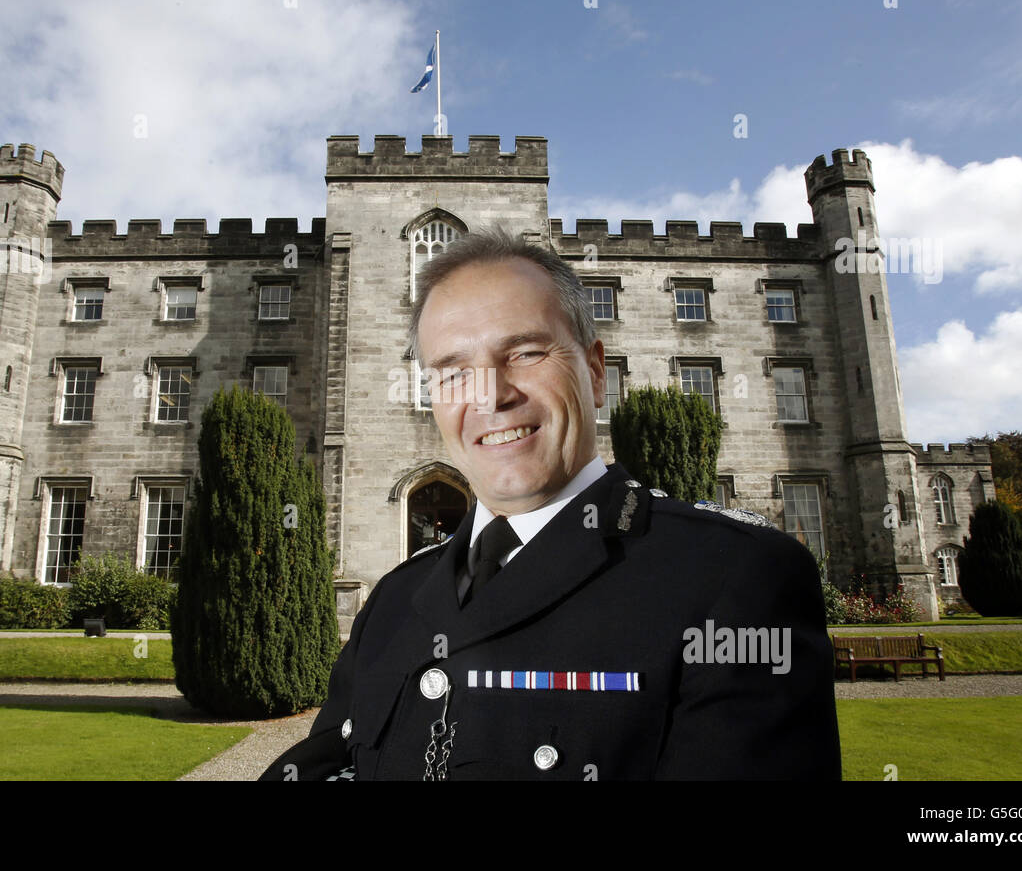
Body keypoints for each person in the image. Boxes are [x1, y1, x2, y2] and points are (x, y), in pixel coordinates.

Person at [260, 227, 841, 780]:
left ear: (593, 372)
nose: (491, 395)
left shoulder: (732, 576)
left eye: (525, 353)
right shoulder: (394, 597)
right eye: (453, 372)